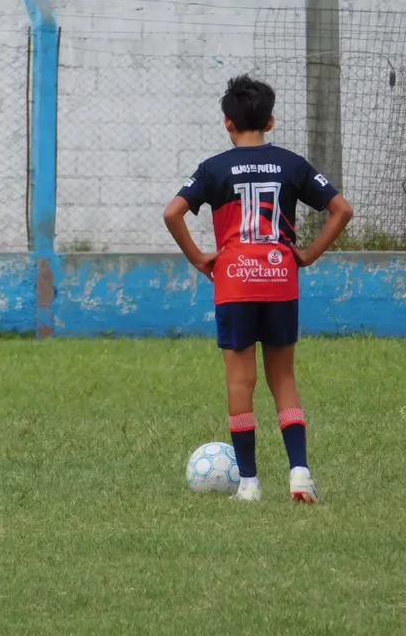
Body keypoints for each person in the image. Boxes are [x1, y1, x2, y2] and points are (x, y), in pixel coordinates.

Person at [163, 76, 353, 503]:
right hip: (278, 276)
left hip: (234, 280)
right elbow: (342, 209)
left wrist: (199, 258)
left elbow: (173, 213)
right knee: (282, 377)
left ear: (227, 123)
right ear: (271, 120)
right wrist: (308, 254)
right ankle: (300, 474)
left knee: (240, 382)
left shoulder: (213, 168)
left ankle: (248, 484)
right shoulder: (292, 164)